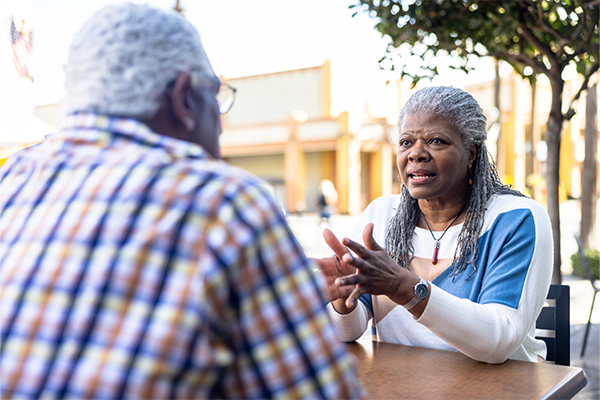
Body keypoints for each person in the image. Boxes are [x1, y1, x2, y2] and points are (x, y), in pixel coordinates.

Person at [0, 4, 364, 399]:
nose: (222, 122)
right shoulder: (224, 203)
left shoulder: (12, 180)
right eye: (217, 96)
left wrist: (273, 297)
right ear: (184, 100)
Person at [317, 86, 553, 364]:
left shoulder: (516, 219)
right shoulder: (380, 215)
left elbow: (498, 342)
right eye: (406, 142)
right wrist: (343, 300)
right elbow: (349, 331)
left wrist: (404, 287)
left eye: (436, 141)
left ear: (472, 153)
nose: (416, 153)